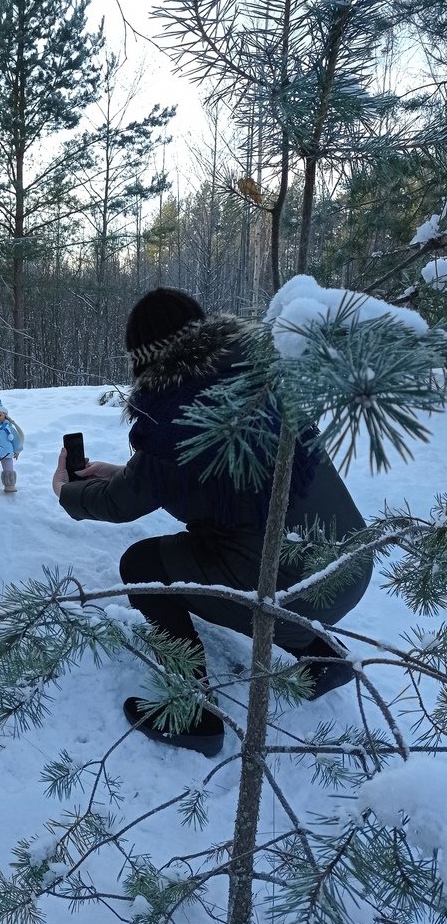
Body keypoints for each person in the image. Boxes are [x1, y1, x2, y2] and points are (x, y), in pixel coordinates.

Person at [52, 288, 372, 758]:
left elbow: (123, 505)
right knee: (225, 545)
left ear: (145, 358)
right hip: (349, 568)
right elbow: (203, 482)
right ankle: (321, 659)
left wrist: (67, 490)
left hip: (293, 585)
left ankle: (193, 713)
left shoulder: (174, 413)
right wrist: (122, 472)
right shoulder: (262, 370)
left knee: (142, 565)